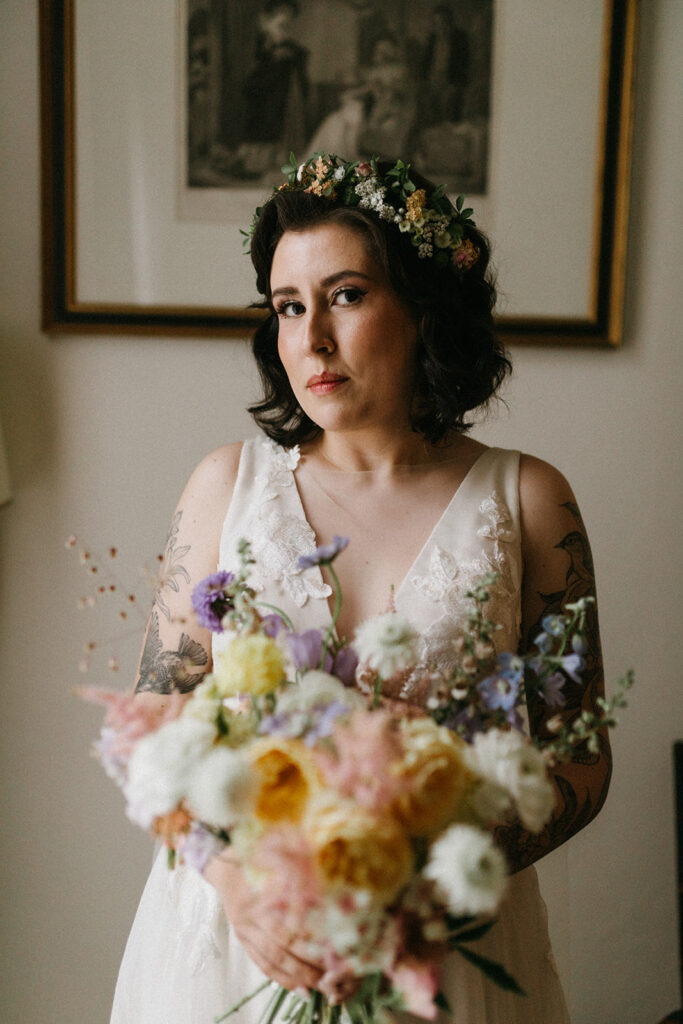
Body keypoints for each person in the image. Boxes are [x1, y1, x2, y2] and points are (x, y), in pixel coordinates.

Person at [110, 153, 612, 1023]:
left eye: (345, 295)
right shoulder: (225, 487)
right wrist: (239, 884)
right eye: (288, 306)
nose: (311, 338)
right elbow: (147, 733)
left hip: (446, 949)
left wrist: (420, 883)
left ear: (424, 308)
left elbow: (581, 759)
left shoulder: (529, 500)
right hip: (237, 944)